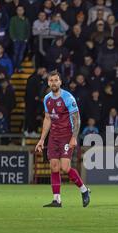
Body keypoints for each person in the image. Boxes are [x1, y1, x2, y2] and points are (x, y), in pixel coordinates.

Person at [35, 70, 91, 208]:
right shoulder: (47, 99)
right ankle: (57, 200)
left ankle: (84, 190)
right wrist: (42, 139)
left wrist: (74, 137)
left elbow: (76, 119)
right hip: (53, 136)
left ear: (60, 82)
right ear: (48, 82)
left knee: (65, 167)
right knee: (54, 167)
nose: (53, 83)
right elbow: (47, 119)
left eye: (56, 80)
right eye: (51, 80)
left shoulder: (68, 98)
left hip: (67, 135)